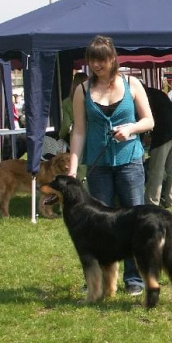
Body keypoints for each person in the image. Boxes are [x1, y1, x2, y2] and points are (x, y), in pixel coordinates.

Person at [68, 35, 154, 296]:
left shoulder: (132, 83)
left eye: (102, 59)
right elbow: (79, 132)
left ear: (113, 58)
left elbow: (149, 121)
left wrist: (130, 129)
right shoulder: (82, 90)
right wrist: (72, 169)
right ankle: (97, 280)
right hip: (99, 165)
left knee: (133, 221)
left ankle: (134, 278)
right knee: (98, 224)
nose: (97, 64)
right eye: (92, 60)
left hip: (130, 161)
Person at [144, 87, 172, 207]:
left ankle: (151, 203)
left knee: (156, 171)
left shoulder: (143, 96)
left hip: (163, 134)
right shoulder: (158, 93)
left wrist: (144, 136)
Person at [59, 72, 89, 143]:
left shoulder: (67, 102)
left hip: (76, 135)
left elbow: (66, 124)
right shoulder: (93, 99)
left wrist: (60, 136)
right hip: (93, 133)